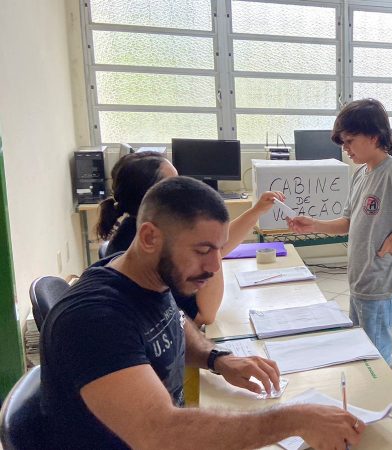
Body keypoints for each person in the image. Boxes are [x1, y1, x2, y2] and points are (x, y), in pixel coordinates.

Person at [41, 177, 364, 450]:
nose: (213, 267)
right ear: (150, 237)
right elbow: (161, 432)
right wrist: (294, 419)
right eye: (202, 251)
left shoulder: (151, 275)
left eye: (218, 250)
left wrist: (217, 358)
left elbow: (175, 323)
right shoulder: (94, 319)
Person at [287, 99, 392, 366]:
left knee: (376, 357)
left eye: (350, 141)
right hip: (362, 280)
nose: (346, 149)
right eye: (343, 143)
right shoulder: (362, 173)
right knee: (360, 349)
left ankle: (385, 404)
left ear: (374, 137)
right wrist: (314, 224)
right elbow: (350, 222)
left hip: (382, 283)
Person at [96, 150, 285, 325]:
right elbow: (204, 316)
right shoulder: (149, 249)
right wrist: (212, 248)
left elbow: (218, 246)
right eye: (175, 185)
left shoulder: (135, 227)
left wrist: (257, 211)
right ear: (152, 195)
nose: (184, 190)